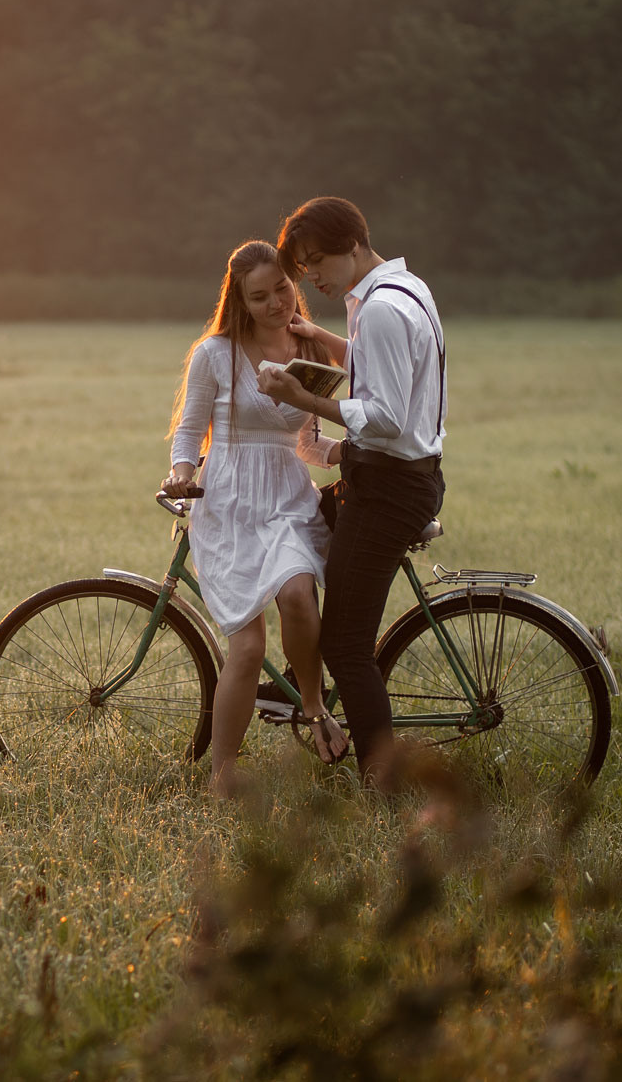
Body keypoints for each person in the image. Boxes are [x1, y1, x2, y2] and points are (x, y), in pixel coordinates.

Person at [258, 197, 446, 790]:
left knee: (347, 644)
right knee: (305, 529)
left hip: (389, 488)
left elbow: (384, 416)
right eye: (303, 266)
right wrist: (318, 336)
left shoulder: (384, 310)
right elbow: (379, 368)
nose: (311, 276)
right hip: (397, 476)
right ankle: (295, 677)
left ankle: (380, 782)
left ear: (355, 246)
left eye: (317, 262)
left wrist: (302, 399)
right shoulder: (402, 290)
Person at [163, 240, 350, 797]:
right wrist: (179, 470)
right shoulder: (215, 353)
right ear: (240, 300)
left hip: (287, 499)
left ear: (295, 286)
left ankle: (313, 708)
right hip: (227, 504)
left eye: (283, 290)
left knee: (297, 593)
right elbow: (190, 427)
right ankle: (223, 776)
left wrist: (352, 452)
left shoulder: (310, 350)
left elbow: (309, 443)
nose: (275, 303)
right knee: (245, 648)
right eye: (260, 296)